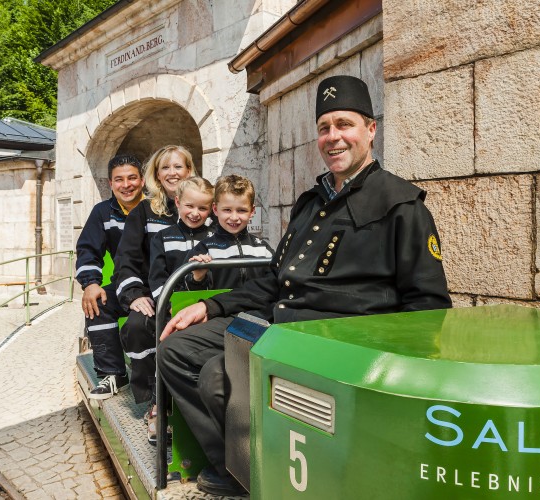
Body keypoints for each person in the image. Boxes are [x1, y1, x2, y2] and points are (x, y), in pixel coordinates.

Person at [157, 75, 452, 496]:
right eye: (324, 127)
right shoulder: (311, 202)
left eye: (344, 124)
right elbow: (275, 280)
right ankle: (241, 465)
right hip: (280, 326)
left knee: (215, 377)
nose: (333, 136)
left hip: (337, 346)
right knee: (175, 350)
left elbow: (428, 308)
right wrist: (211, 306)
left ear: (371, 129)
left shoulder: (402, 205)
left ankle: (264, 469)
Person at [115, 145, 196, 408]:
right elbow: (126, 258)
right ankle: (154, 401)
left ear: (189, 171)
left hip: (195, 294)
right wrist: (134, 296)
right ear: (157, 175)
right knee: (137, 327)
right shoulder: (144, 211)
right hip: (153, 294)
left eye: (178, 166)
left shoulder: (203, 208)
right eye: (165, 168)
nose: (172, 173)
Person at [145, 176, 215, 443]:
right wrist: (169, 304)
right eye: (190, 206)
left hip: (206, 309)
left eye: (202, 208)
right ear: (177, 202)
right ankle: (158, 407)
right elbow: (156, 278)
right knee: (165, 347)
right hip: (172, 309)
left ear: (211, 209)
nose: (195, 213)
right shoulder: (163, 237)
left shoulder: (215, 237)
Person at [75, 153, 144, 399]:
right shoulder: (103, 212)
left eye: (132, 178)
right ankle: (113, 373)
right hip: (125, 284)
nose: (126, 185)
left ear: (142, 180)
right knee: (98, 302)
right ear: (110, 183)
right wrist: (90, 284)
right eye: (119, 179)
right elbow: (87, 249)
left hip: (159, 283)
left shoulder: (157, 208)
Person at [187, 174, 274, 290]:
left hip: (256, 302)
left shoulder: (263, 249)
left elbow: (275, 283)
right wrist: (197, 278)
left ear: (252, 211)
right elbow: (185, 290)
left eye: (241, 210)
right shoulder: (204, 249)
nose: (234, 217)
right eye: (227, 210)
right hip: (217, 302)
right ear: (215, 209)